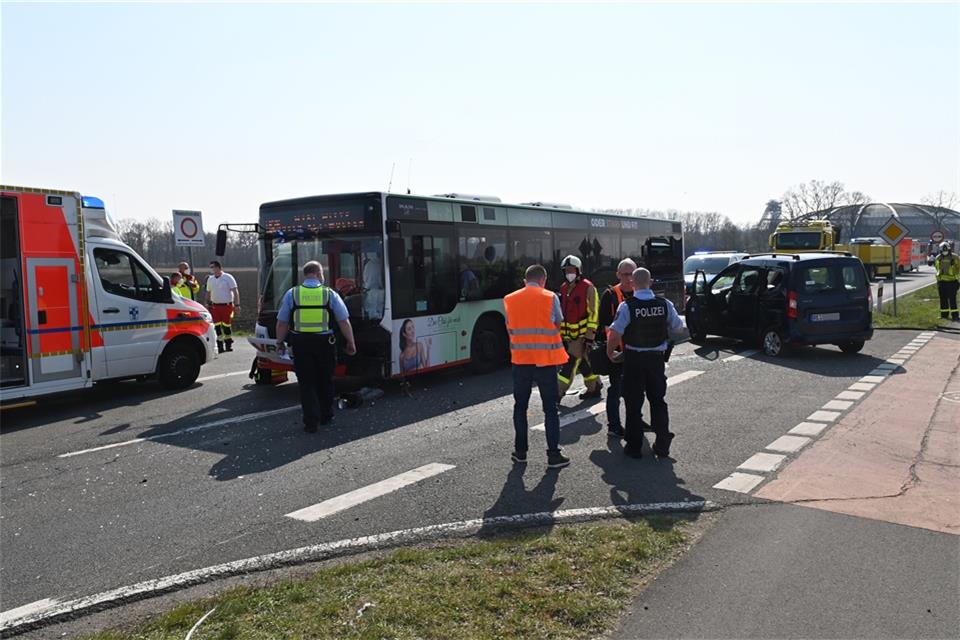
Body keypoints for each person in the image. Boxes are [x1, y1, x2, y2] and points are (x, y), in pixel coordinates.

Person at [606, 267, 684, 459]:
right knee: (658, 401)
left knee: (633, 403)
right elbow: (679, 328)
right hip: (656, 360)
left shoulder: (627, 306)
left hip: (634, 360)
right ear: (650, 283)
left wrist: (610, 353)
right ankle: (662, 444)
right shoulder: (664, 304)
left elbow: (615, 334)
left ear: (632, 283)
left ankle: (634, 447)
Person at [275, 261, 357, 432]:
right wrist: (351, 342)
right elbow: (344, 321)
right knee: (325, 380)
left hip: (301, 344)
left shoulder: (293, 294)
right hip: (325, 344)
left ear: (305, 275)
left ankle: (311, 422)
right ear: (319, 274)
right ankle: (326, 416)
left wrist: (279, 342)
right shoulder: (330, 294)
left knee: (306, 383)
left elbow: (282, 322)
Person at [503, 264, 570, 469]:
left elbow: (509, 327)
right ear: (544, 280)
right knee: (550, 408)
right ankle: (553, 455)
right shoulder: (550, 297)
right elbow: (558, 323)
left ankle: (520, 452)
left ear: (525, 280)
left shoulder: (509, 299)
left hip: (520, 361)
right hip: (545, 361)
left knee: (520, 406)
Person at [597, 258, 638, 439]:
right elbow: (604, 325)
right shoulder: (610, 295)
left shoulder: (641, 293)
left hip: (637, 352)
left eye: (632, 274)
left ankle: (635, 420)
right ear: (618, 275)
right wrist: (612, 349)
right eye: (625, 274)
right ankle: (614, 425)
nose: (629, 278)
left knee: (636, 390)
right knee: (616, 390)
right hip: (618, 352)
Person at [557, 255, 601, 399]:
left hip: (582, 337)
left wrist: (589, 337)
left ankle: (557, 393)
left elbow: (594, 314)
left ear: (578, 271)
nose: (569, 273)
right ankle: (594, 387)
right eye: (566, 270)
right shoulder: (563, 288)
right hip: (568, 336)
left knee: (569, 366)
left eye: (572, 270)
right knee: (584, 363)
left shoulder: (588, 287)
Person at [205, 261, 240, 353]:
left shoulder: (228, 277)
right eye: (211, 267)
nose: (212, 269)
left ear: (218, 268)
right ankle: (219, 345)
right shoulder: (210, 279)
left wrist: (237, 305)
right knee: (216, 326)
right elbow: (208, 292)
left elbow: (235, 291)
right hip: (215, 307)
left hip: (227, 306)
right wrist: (207, 303)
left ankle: (228, 343)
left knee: (226, 325)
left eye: (213, 267)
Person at [934, 241, 959, 321]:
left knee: (952, 300)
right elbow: (937, 268)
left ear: (949, 249)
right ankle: (944, 315)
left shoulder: (955, 257)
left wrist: (953, 267)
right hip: (941, 282)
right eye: (943, 250)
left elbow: (958, 269)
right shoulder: (938, 258)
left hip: (952, 282)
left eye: (946, 250)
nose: (945, 252)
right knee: (943, 299)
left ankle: (955, 316)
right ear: (940, 250)